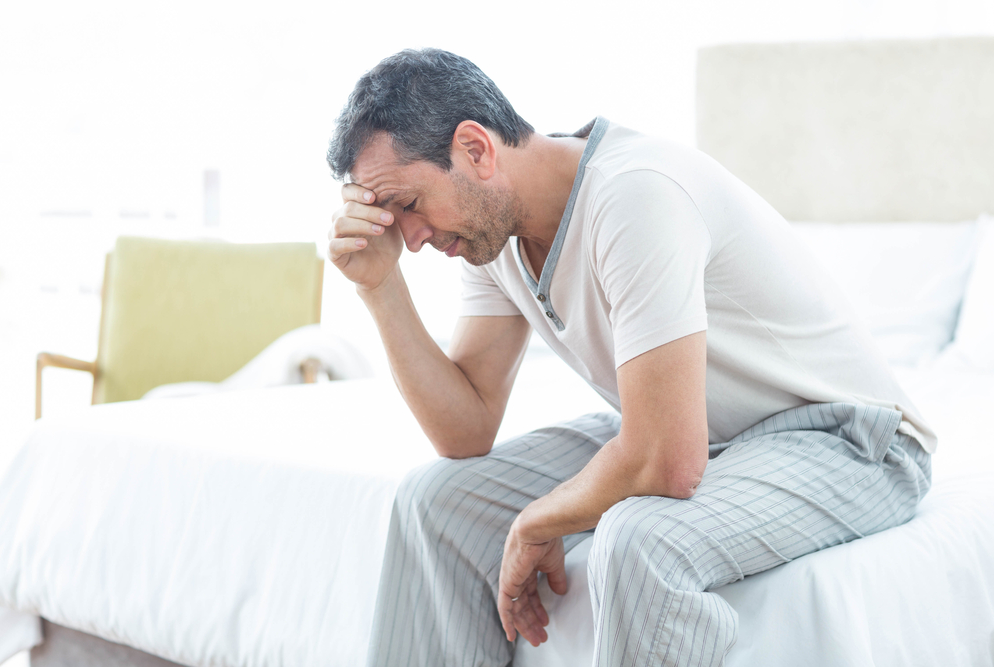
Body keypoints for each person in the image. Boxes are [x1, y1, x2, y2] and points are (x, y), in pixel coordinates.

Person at [325, 48, 934, 667]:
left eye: (406, 205)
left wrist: (539, 519)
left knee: (638, 541)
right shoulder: (494, 238)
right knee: (438, 500)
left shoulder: (634, 194)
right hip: (713, 434)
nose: (412, 239)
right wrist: (380, 288)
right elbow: (466, 430)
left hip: (849, 440)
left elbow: (667, 460)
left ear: (475, 149)